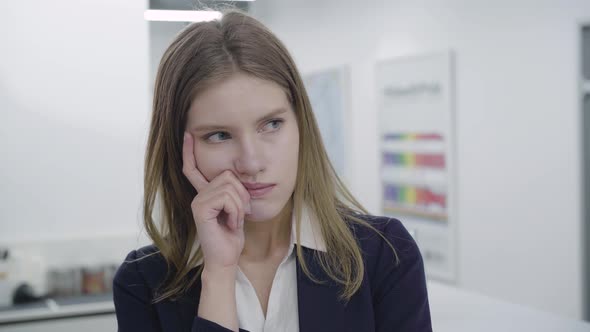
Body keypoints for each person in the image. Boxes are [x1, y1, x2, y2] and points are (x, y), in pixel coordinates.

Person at [113, 9, 432, 332]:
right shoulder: (143, 282)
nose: (251, 163)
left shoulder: (385, 255)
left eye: (271, 124)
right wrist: (219, 275)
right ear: (179, 148)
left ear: (300, 125)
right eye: (219, 135)